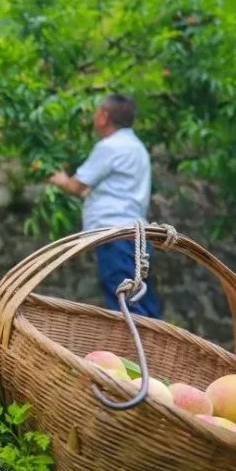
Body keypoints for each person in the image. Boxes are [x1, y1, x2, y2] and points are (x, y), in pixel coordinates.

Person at [48, 94, 163, 318]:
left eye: (96, 112)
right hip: (136, 235)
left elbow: (75, 185)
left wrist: (59, 178)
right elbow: (105, 189)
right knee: (142, 299)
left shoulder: (110, 146)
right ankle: (157, 352)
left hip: (116, 235)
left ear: (104, 117)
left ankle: (134, 352)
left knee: (124, 302)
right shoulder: (136, 147)